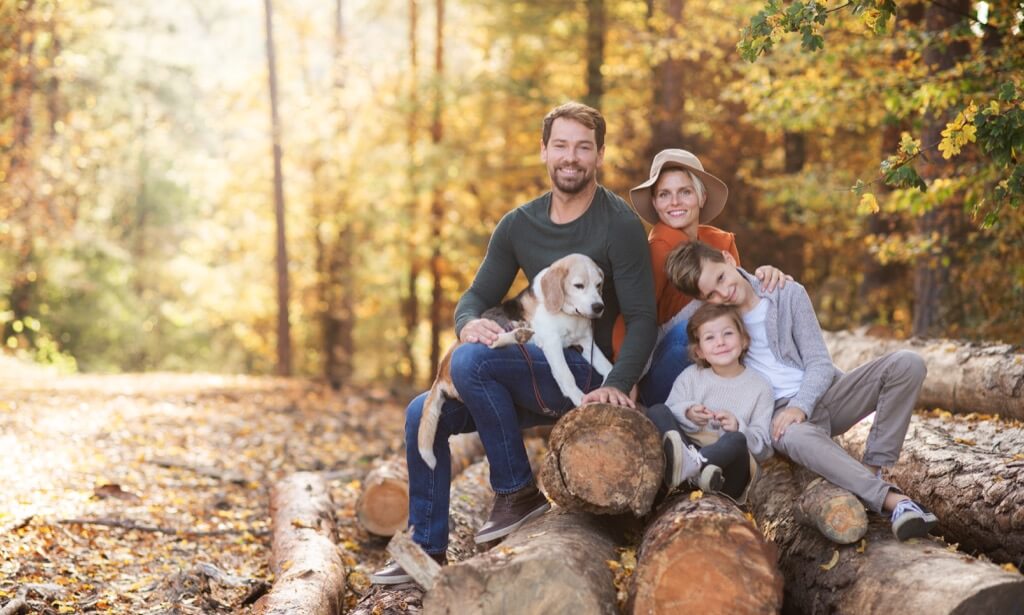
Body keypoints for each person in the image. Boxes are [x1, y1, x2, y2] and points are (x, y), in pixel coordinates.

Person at [371, 102, 657, 585]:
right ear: (544, 151)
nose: (571, 157)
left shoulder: (619, 224)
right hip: (525, 374)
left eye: (583, 147)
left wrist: (620, 381)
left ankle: (516, 491)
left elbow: (645, 317)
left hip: (586, 373)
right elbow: (477, 296)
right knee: (424, 410)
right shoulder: (519, 224)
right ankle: (425, 545)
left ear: (600, 156)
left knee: (472, 365)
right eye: (561, 145)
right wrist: (467, 323)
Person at [663, 240, 938, 541]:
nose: (723, 292)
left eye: (721, 278)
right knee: (790, 433)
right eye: (711, 294)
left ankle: (872, 469)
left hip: (828, 392)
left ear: (729, 258)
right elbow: (685, 341)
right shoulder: (724, 324)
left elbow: (819, 362)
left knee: (907, 363)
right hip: (781, 413)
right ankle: (895, 502)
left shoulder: (786, 292)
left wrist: (802, 405)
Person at [610, 148, 787, 406]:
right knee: (696, 326)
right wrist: (626, 378)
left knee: (731, 319)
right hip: (665, 370)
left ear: (701, 196)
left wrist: (766, 277)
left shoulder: (720, 242)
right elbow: (631, 318)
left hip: (720, 360)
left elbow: (741, 302)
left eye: (685, 191)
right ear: (655, 203)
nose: (674, 202)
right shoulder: (657, 251)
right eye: (664, 195)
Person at [645, 303, 773, 503]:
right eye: (710, 338)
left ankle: (696, 469)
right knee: (657, 411)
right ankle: (692, 471)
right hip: (690, 450)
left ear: (745, 340)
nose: (720, 342)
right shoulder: (690, 377)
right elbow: (669, 413)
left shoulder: (760, 387)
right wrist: (687, 413)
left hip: (728, 474)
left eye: (728, 333)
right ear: (699, 352)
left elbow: (764, 447)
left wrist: (738, 426)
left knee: (736, 439)